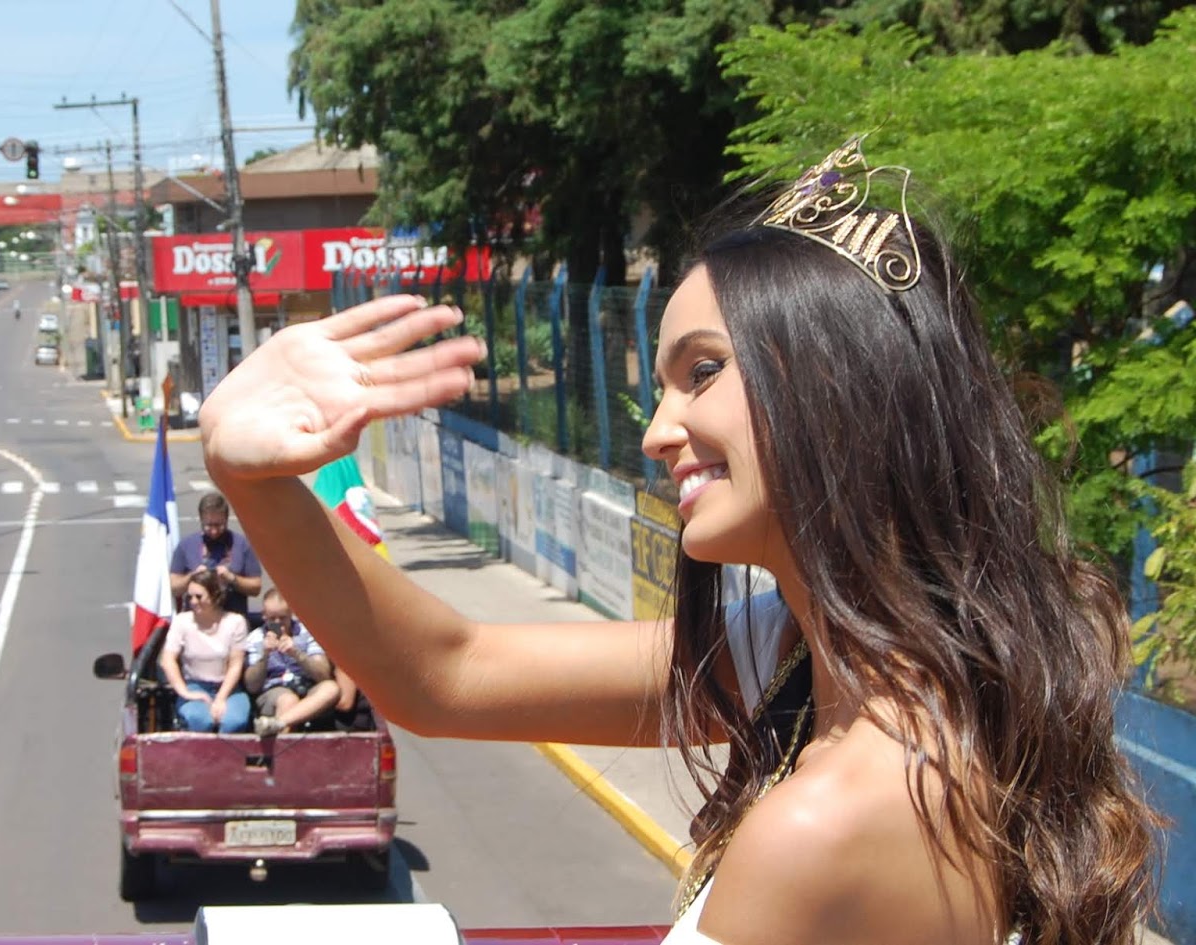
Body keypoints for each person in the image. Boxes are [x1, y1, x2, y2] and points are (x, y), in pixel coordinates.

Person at [196, 137, 1158, 945]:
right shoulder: (823, 658)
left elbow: (448, 674)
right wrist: (253, 475)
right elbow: (449, 671)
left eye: (702, 372)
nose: (657, 430)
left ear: (838, 386)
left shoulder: (826, 820)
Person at [158, 570, 250, 733]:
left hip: (228, 688)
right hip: (195, 686)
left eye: (199, 597)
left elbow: (236, 664)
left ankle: (228, 758)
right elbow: (168, 660)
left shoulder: (235, 622)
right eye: (190, 597)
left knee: (234, 721)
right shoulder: (182, 621)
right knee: (200, 720)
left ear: (215, 596)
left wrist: (221, 698)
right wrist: (184, 692)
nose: (193, 601)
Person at [243, 588, 340, 736]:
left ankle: (278, 723)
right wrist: (265, 655)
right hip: (274, 691)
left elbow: (323, 675)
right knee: (288, 700)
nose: (278, 623)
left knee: (331, 688)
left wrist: (297, 653)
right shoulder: (255, 639)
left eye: (282, 618)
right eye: (272, 618)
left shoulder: (307, 633)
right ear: (264, 615)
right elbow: (252, 686)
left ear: (291, 614)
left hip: (306, 688)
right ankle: (284, 752)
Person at [169, 492, 263, 618]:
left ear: (227, 519)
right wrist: (193, 576)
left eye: (219, 525)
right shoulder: (186, 545)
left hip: (232, 621)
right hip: (196, 623)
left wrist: (232, 579)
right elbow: (174, 587)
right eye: (209, 525)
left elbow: (256, 587)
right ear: (201, 519)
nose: (214, 531)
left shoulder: (241, 544)